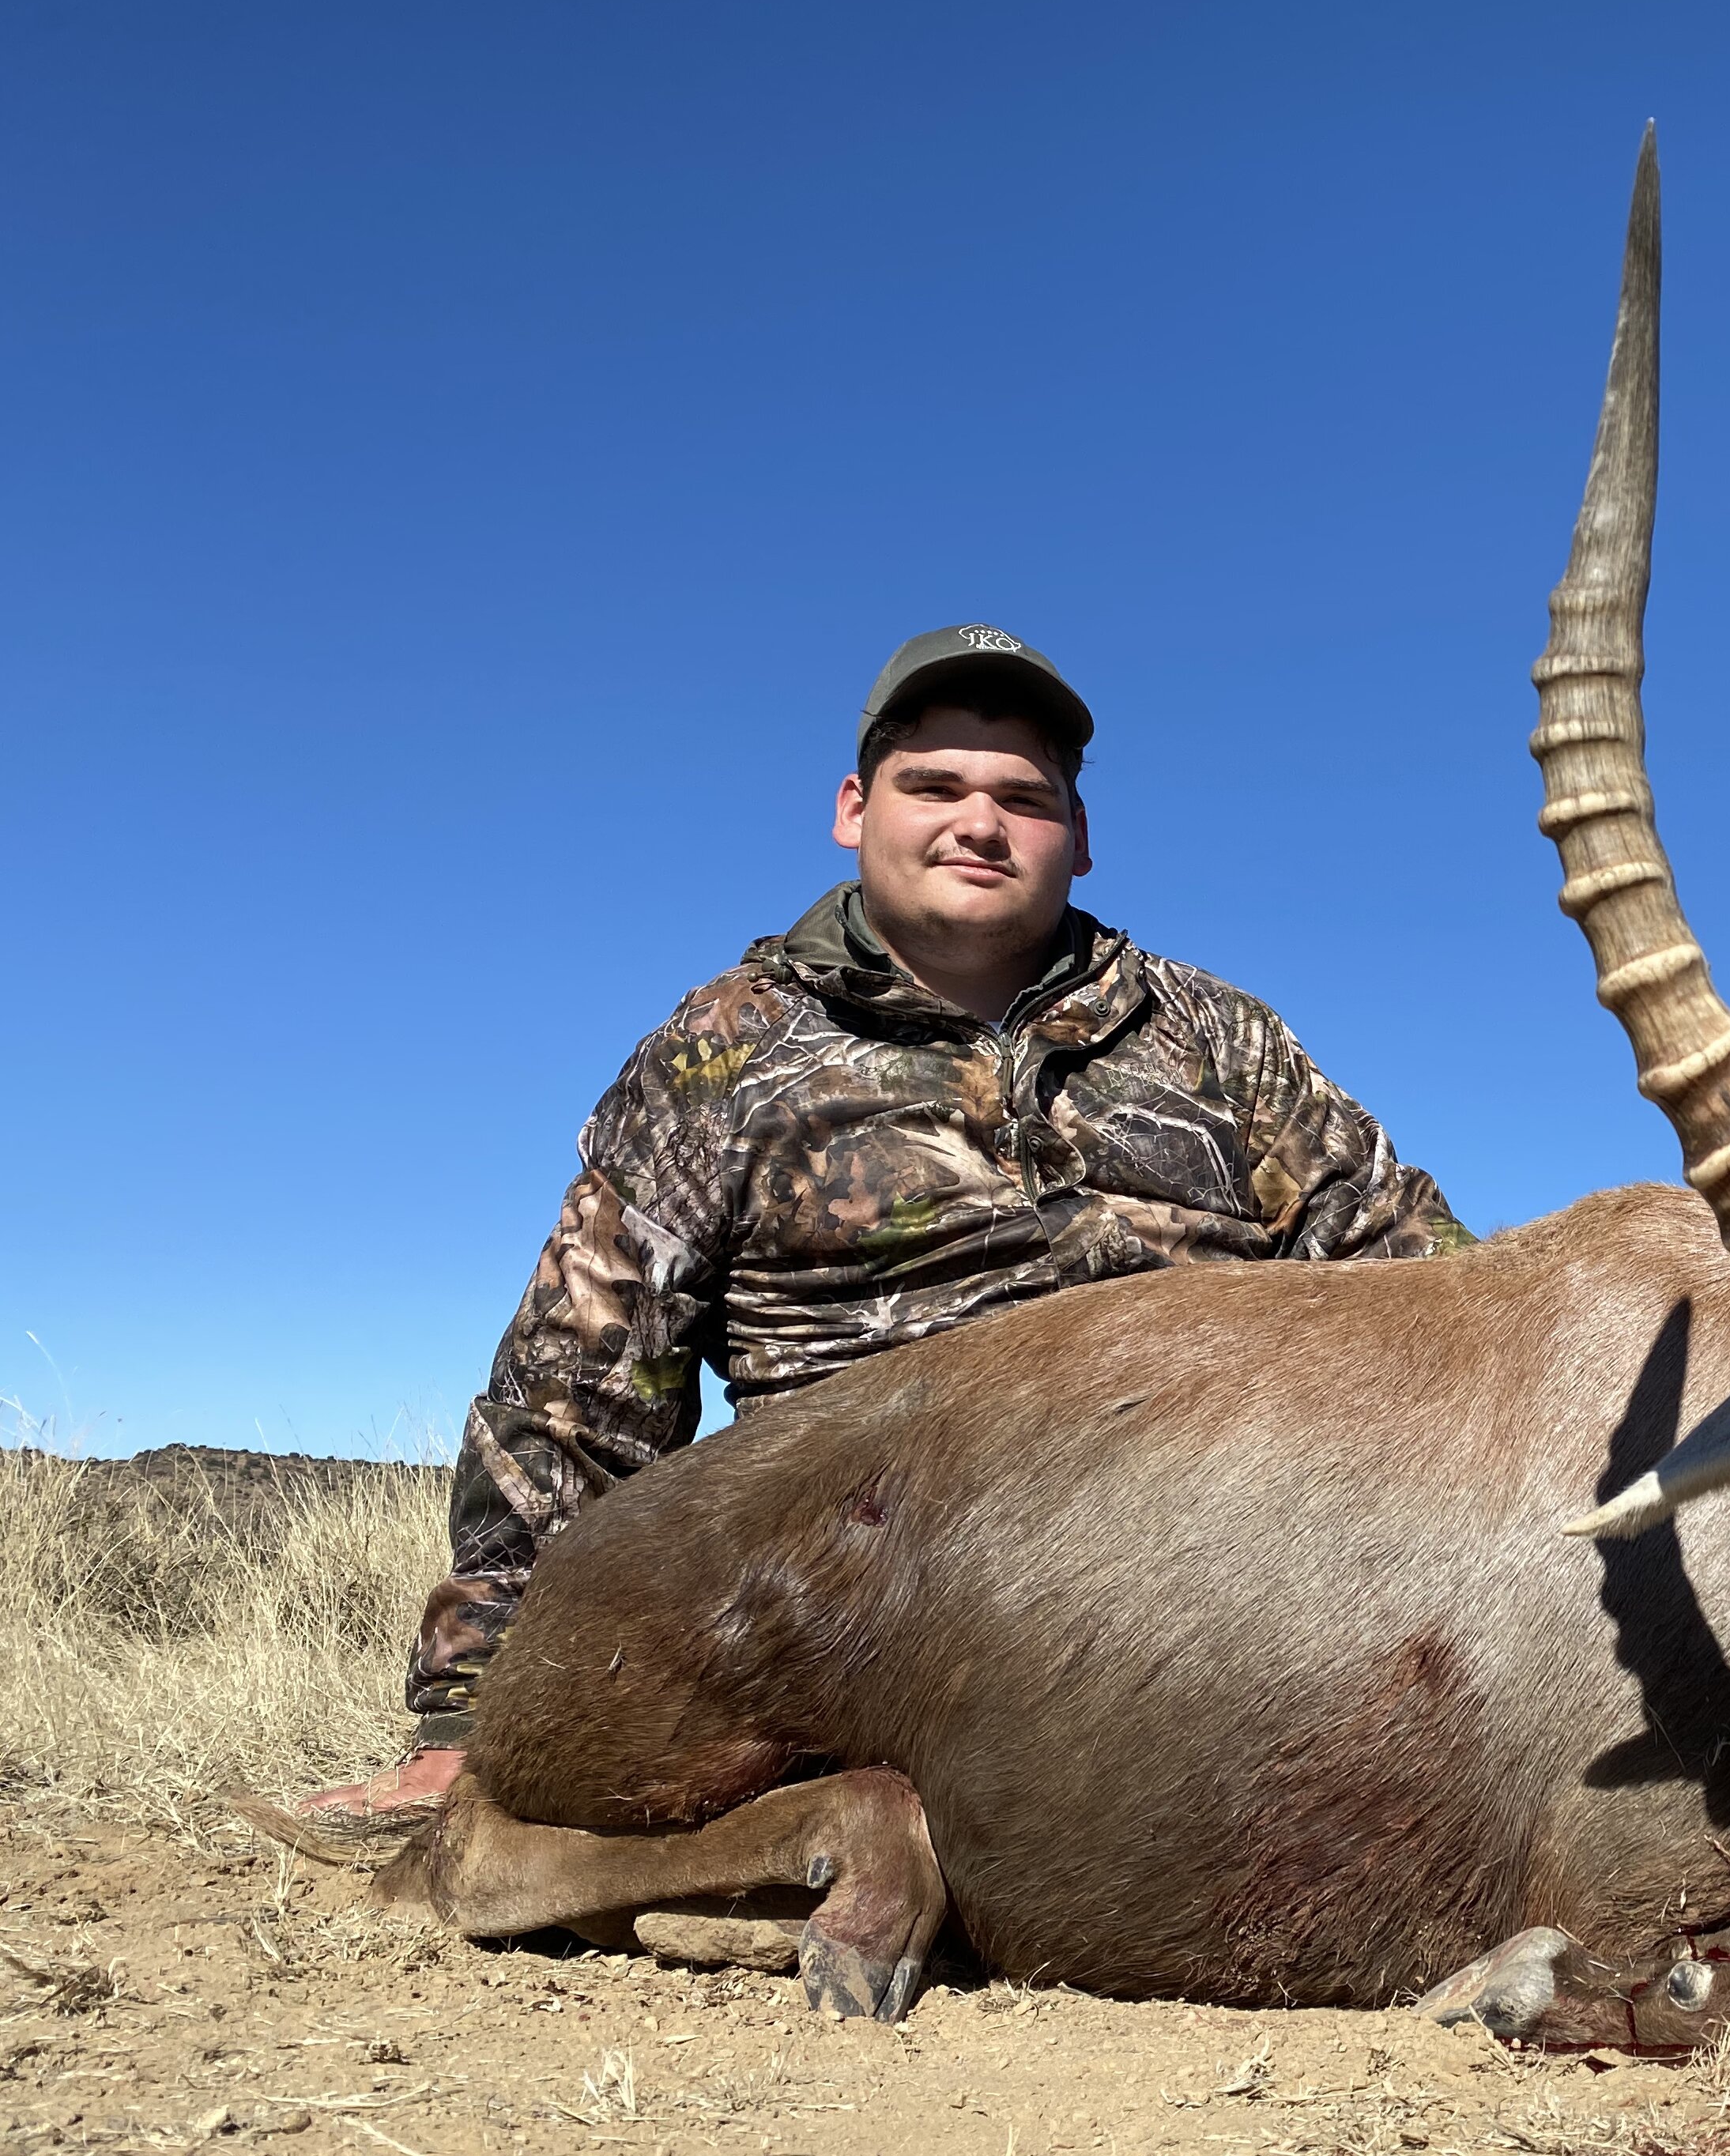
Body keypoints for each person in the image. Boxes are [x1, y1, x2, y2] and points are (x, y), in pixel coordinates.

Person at [296, 624, 1465, 1837]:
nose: (980, 822)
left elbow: (1424, 1284)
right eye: (936, 786)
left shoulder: (1220, 1037)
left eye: (1024, 796)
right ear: (855, 810)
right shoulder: (722, 1053)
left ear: (1080, 836)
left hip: (1227, 1559)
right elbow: (571, 1398)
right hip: (876, 1596)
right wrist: (472, 1715)